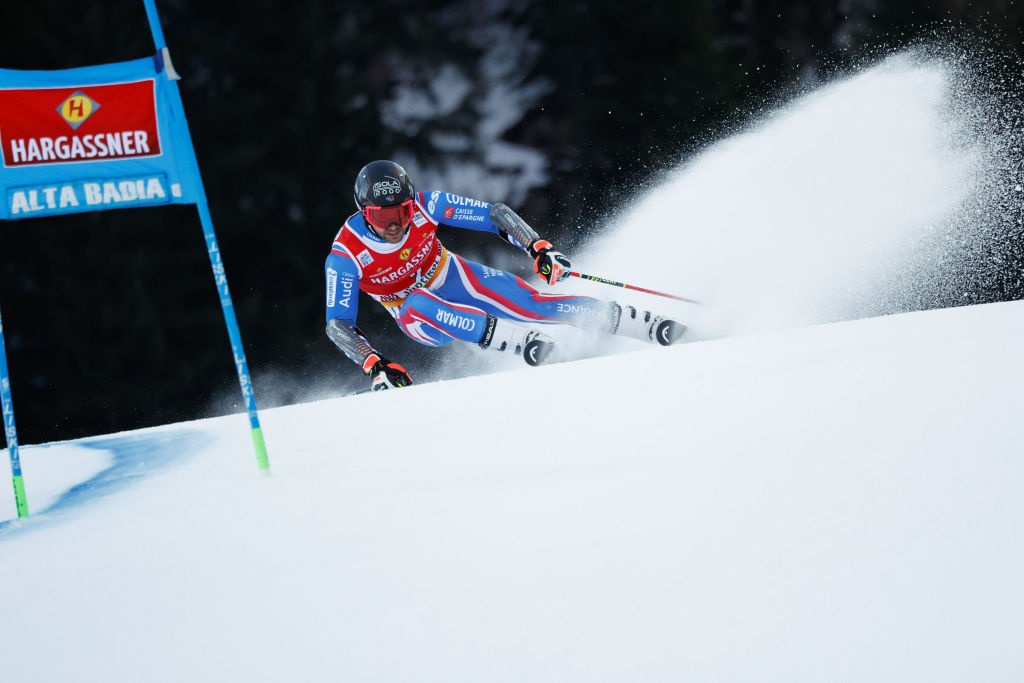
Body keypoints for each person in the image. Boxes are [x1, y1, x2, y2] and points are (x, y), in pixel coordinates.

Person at [325, 160, 685, 391]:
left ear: (411, 203)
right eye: (381, 218)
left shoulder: (426, 205)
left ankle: (642, 323)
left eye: (402, 214)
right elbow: (338, 324)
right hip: (416, 314)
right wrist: (376, 365)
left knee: (532, 303)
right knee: (418, 302)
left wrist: (537, 247)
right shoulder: (345, 254)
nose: (394, 226)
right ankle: (524, 342)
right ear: (363, 213)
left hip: (451, 274)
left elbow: (492, 214)